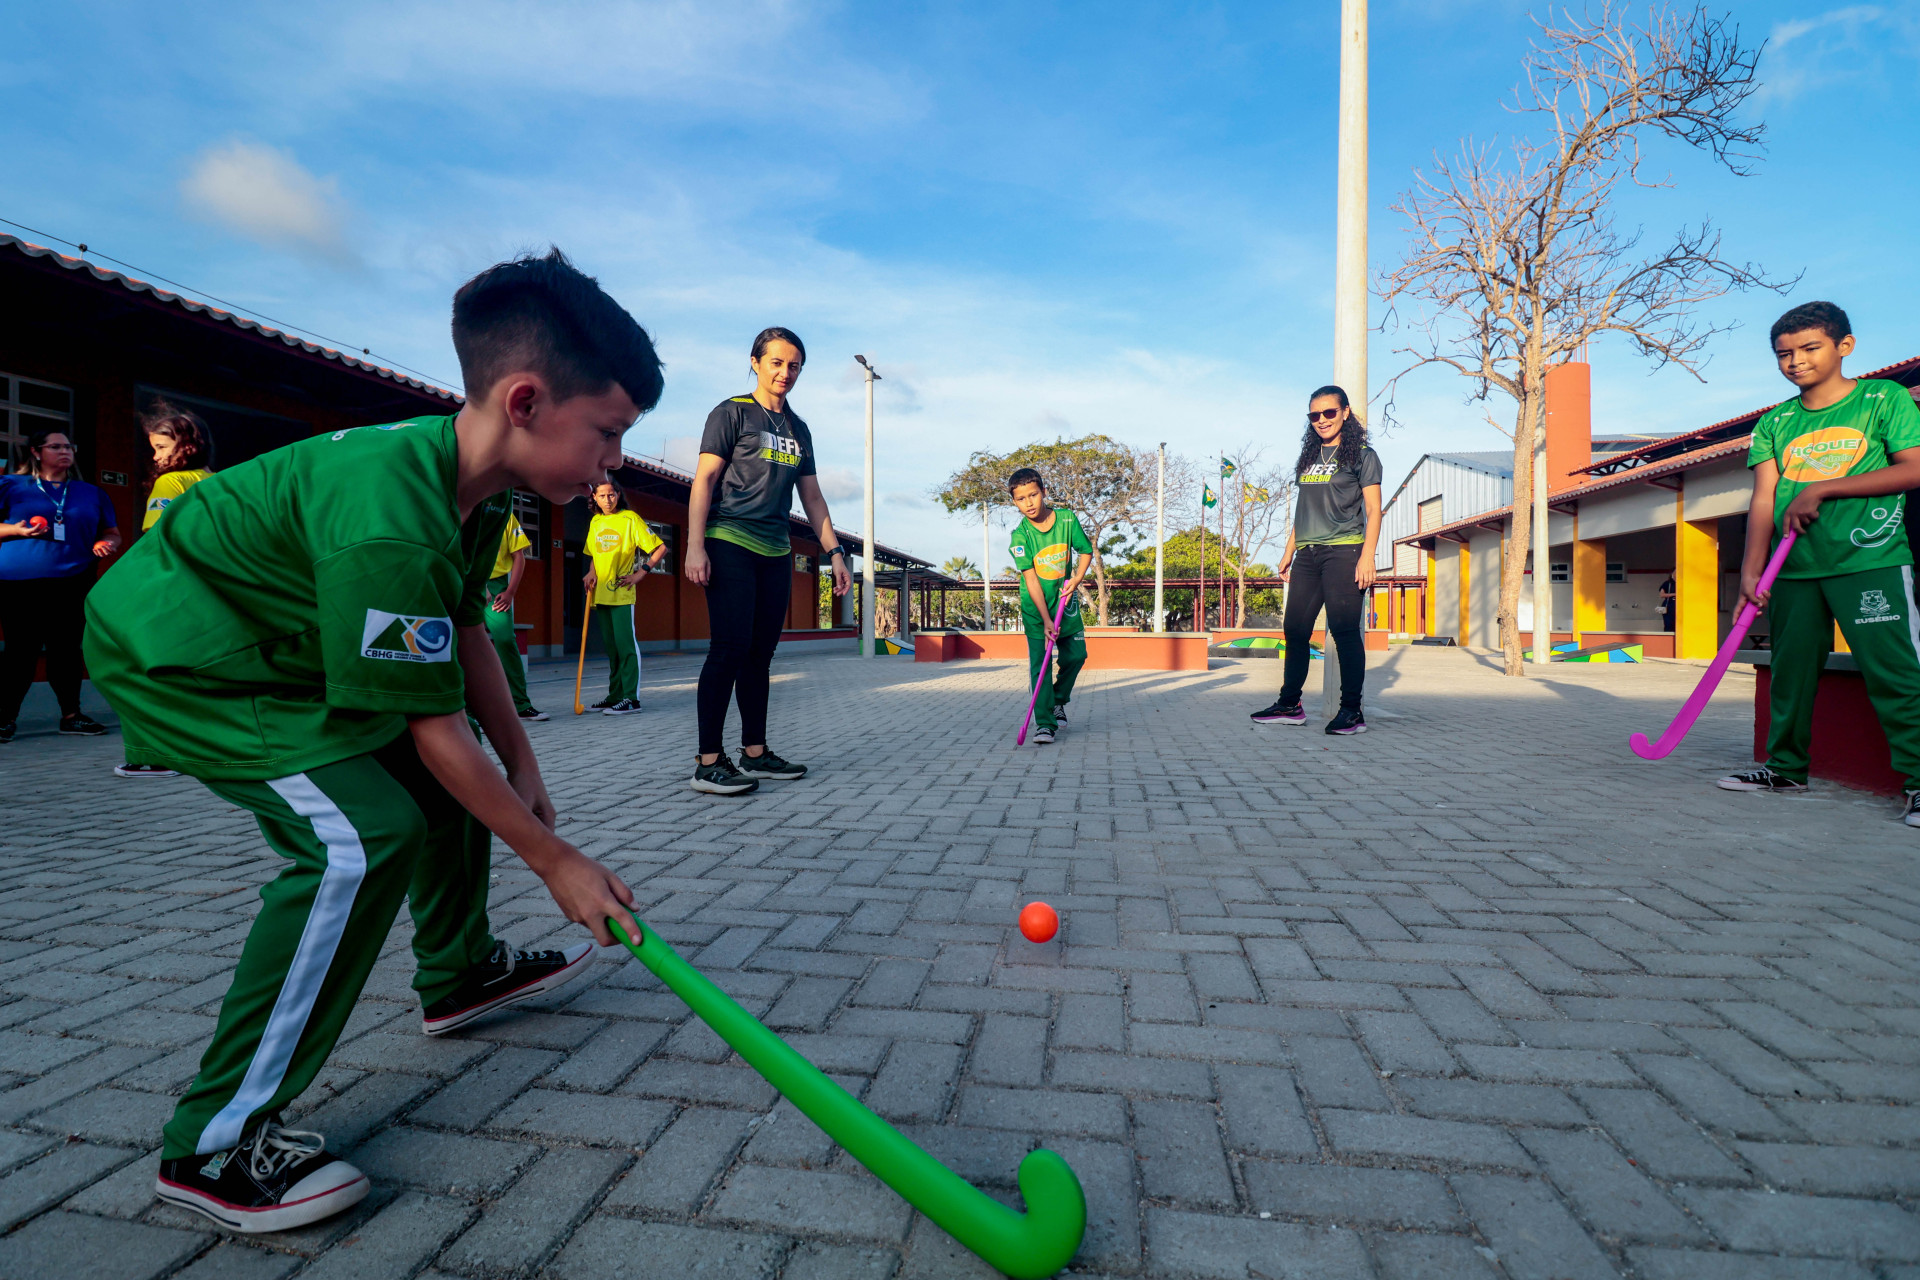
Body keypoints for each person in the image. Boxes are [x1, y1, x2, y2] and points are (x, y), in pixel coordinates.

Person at [83, 247, 661, 1232]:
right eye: (608, 433)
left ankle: (458, 969)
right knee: (360, 835)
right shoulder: (389, 508)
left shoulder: (471, 488)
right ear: (525, 399)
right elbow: (432, 724)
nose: (614, 461)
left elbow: (465, 628)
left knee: (455, 789)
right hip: (185, 652)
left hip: (282, 643)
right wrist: (551, 856)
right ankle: (212, 1145)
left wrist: (522, 759)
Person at [1716, 301, 1920, 823]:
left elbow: (1913, 469)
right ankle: (1784, 770)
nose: (1796, 361)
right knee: (1791, 672)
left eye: (1809, 348)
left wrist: (1825, 488)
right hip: (1795, 569)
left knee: (1896, 672)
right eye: (1784, 353)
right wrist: (1751, 572)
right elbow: (1764, 500)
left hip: (1868, 558)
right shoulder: (1775, 422)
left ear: (1843, 346)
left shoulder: (1883, 399)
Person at [684, 327, 851, 795]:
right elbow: (704, 481)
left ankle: (754, 753)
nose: (785, 372)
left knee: (760, 656)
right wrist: (695, 545)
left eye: (794, 365)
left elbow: (813, 498)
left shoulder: (799, 429)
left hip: (777, 550)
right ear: (755, 362)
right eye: (776, 362)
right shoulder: (731, 413)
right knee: (729, 650)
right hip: (730, 540)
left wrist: (834, 552)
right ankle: (707, 762)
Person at [1250, 384, 1383, 735]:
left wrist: (1367, 555)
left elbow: (1373, 508)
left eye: (1328, 412)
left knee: (1342, 631)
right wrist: (1288, 549)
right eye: (1314, 415)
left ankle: (1352, 711)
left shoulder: (1362, 456)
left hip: (1345, 550)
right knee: (1294, 629)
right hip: (1307, 553)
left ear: (1345, 412)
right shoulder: (1309, 458)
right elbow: (1303, 509)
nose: (1321, 420)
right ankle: (1290, 704)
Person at [0, 427, 121, 745]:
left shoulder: (92, 492)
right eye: (56, 446)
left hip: (73, 581)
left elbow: (111, 531)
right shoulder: (11, 485)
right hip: (20, 583)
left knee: (66, 651)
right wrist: (15, 530)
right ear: (36, 452)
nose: (65, 451)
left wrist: (106, 544)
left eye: (69, 446)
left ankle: (71, 716)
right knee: (20, 652)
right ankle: (4, 719)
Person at [116, 402, 217, 778]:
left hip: (173, 589)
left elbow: (155, 539)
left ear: (188, 444)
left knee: (148, 671)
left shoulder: (170, 483)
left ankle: (155, 756)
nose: (156, 457)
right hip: (211, 590)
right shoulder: (222, 480)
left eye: (161, 448)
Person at [1007, 467, 1092, 745]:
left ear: (1044, 492)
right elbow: (1031, 580)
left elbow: (1086, 551)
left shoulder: (1066, 520)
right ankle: (1045, 723)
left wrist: (1077, 579)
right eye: (1021, 499)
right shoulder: (1020, 537)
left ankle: (1057, 700)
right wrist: (1044, 620)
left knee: (1077, 656)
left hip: (1066, 604)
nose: (1029, 503)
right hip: (1036, 610)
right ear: (1014, 501)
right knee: (1040, 666)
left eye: (1033, 495)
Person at [583, 480, 663, 715]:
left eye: (611, 494)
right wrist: (591, 572)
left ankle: (631, 699)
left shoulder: (630, 519)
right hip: (601, 593)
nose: (607, 499)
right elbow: (595, 554)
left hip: (622, 593)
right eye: (602, 495)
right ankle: (615, 695)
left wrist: (640, 573)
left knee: (626, 647)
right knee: (612, 648)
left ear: (618, 495)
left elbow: (659, 548)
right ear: (594, 498)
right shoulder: (596, 521)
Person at [486, 508, 548, 722]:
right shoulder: (463, 507)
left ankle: (520, 703)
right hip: (467, 581)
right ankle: (465, 712)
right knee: (462, 642)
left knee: (505, 640)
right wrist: (474, 583)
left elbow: (519, 556)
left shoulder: (504, 515)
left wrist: (510, 592)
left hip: (498, 587)